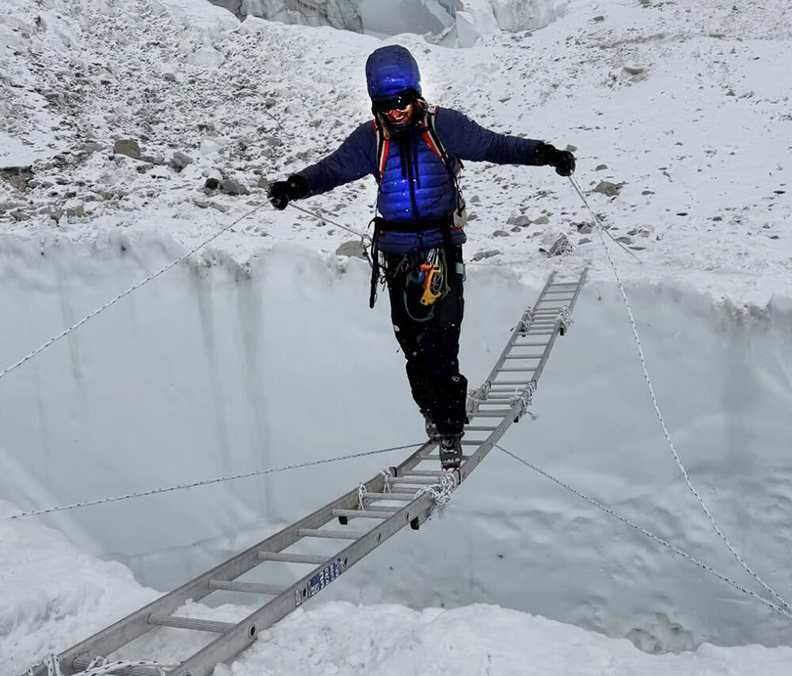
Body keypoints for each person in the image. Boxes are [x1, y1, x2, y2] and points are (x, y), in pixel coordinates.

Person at [268, 45, 575, 470]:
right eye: (386, 105)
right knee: (411, 343)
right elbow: (332, 170)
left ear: (417, 94)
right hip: (398, 255)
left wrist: (545, 153)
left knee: (442, 342)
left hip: (441, 250)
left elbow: (496, 146)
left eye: (403, 102)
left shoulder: (442, 126)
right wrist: (295, 186)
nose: (396, 112)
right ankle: (431, 411)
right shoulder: (370, 139)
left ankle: (449, 429)